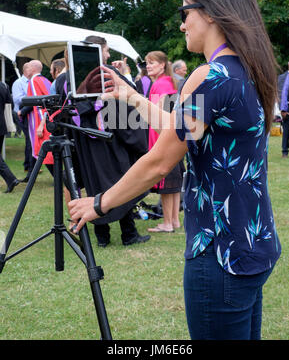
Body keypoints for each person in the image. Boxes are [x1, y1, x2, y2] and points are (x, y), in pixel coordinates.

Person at [67, 0, 281, 340]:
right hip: (252, 243)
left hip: (219, 253)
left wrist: (99, 203)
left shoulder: (209, 76)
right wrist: (132, 97)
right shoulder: (245, 71)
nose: (182, 25)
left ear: (210, 11)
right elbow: (181, 132)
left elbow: (160, 161)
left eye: (185, 13)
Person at [57, 36, 150, 247]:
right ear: (98, 51)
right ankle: (129, 234)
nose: (108, 55)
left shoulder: (65, 79)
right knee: (122, 180)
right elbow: (132, 97)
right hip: (109, 140)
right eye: (106, 51)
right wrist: (124, 73)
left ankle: (102, 237)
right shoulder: (105, 74)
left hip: (84, 143)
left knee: (94, 185)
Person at [145, 51, 183, 233]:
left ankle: (167, 223)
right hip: (171, 136)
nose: (148, 66)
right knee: (174, 181)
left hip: (163, 138)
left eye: (152, 63)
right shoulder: (169, 81)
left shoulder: (161, 84)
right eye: (147, 63)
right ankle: (174, 220)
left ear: (162, 65)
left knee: (167, 182)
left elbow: (159, 112)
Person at [19, 60, 54, 175]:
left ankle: (62, 178)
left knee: (43, 151)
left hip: (42, 121)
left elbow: (39, 103)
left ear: (33, 69)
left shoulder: (34, 81)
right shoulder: (45, 80)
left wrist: (41, 125)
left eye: (28, 68)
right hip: (50, 119)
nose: (25, 71)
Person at [0, 81, 21, 192]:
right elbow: (10, 104)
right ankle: (10, 180)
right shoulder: (4, 85)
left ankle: (11, 178)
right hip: (2, 125)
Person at [12, 62, 33, 173]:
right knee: (29, 139)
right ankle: (29, 166)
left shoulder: (32, 82)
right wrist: (32, 97)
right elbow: (16, 99)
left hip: (28, 113)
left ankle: (28, 164)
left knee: (30, 139)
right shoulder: (18, 83)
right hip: (20, 114)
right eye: (31, 68)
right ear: (25, 70)